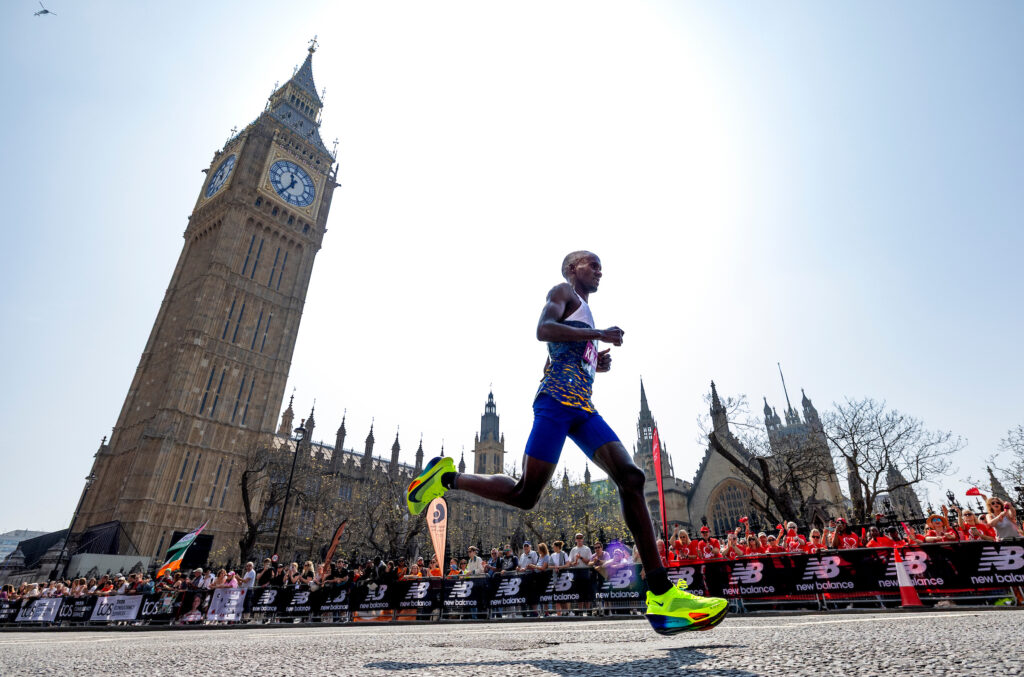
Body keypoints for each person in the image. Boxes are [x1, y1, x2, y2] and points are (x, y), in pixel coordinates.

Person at [405, 251, 726, 634]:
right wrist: (596, 335)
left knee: (632, 477)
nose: (600, 269)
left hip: (582, 407)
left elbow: (557, 355)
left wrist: (594, 361)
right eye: (592, 264)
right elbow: (544, 331)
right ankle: (446, 479)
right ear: (573, 269)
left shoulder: (583, 313)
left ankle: (662, 595)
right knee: (525, 494)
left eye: (600, 265)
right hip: (557, 403)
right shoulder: (562, 292)